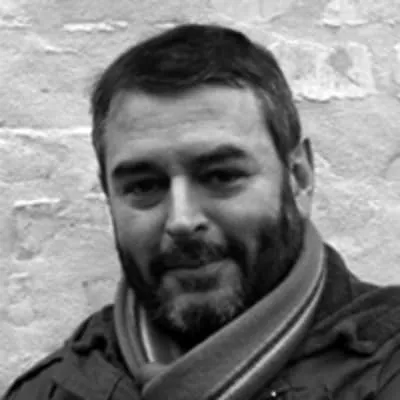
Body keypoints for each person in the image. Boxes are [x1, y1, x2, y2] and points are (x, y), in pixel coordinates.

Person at [3, 23, 400, 400]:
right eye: (144, 186)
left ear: (298, 177)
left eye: (221, 176)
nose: (181, 221)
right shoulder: (51, 391)